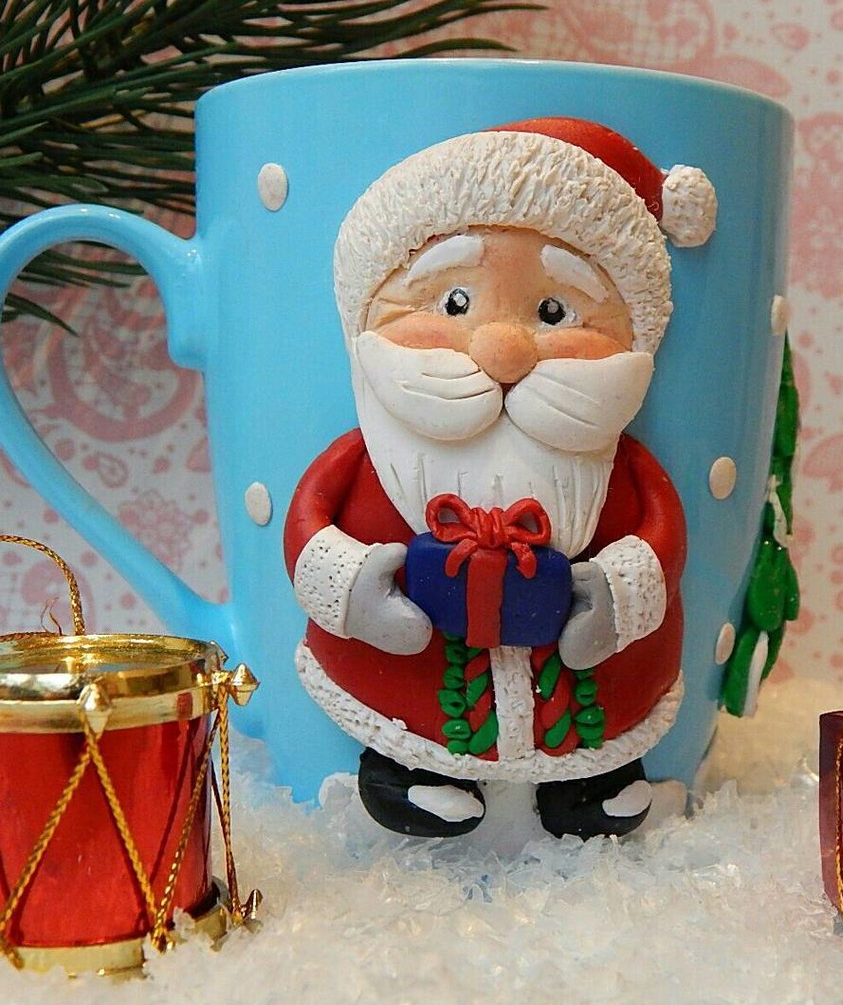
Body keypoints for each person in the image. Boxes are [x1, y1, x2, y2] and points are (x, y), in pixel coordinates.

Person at [284, 117, 716, 838]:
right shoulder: (362, 459)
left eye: (555, 311)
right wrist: (351, 587)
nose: (503, 350)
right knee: (411, 714)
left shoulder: (619, 465)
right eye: (453, 303)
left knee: (592, 717)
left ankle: (590, 783)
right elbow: (312, 524)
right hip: (408, 668)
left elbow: (658, 535)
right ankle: (409, 774)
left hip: (585, 667)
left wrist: (619, 595)